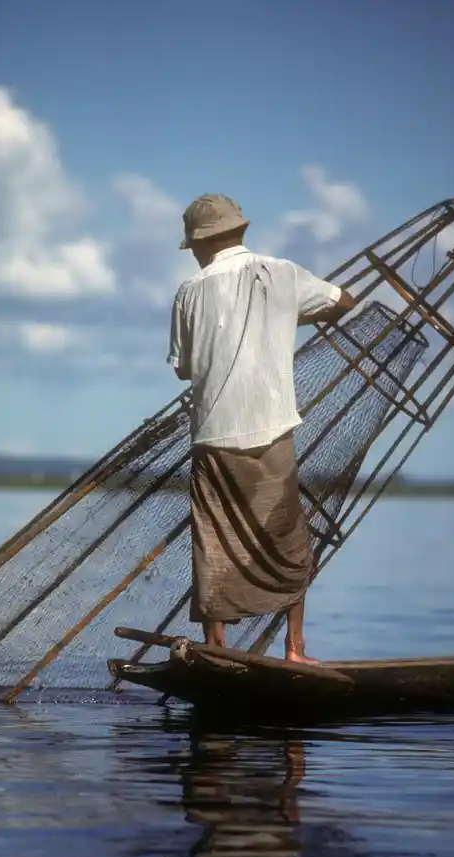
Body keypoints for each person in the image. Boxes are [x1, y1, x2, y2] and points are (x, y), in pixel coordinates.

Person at [168, 193, 355, 663]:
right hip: (271, 429)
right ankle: (295, 647)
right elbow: (343, 301)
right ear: (239, 232)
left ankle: (216, 649)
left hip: (213, 435)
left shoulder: (189, 292)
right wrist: (290, 313)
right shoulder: (282, 273)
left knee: (214, 543)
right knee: (288, 538)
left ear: (199, 244)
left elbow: (183, 367)